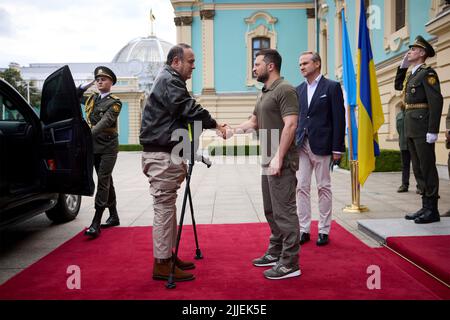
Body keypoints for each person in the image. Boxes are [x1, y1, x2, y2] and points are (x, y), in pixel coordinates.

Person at [140, 43, 227, 282]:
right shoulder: (170, 80)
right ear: (176, 62)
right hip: (162, 155)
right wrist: (215, 124)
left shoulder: (169, 80)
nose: (194, 66)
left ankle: (167, 255)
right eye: (190, 61)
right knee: (164, 208)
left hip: (166, 152)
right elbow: (187, 108)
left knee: (167, 207)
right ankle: (161, 263)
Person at [226, 49, 301, 280]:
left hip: (282, 161)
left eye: (257, 64)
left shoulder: (285, 90)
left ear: (270, 66)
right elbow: (254, 121)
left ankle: (290, 263)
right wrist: (232, 130)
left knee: (284, 212)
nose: (253, 68)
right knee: (271, 210)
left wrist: (279, 157)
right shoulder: (264, 93)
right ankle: (276, 251)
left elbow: (291, 125)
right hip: (267, 161)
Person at [295, 52, 345, 246]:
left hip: (323, 145)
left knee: (323, 187)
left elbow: (338, 119)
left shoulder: (331, 87)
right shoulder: (298, 89)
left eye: (305, 63)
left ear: (317, 64)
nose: (301, 67)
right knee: (301, 187)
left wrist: (337, 148)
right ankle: (304, 229)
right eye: (300, 64)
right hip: (302, 145)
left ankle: (324, 230)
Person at [394, 35, 444, 224]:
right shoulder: (412, 74)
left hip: (423, 127)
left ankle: (433, 209)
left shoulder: (427, 73)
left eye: (413, 49)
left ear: (422, 53)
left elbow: (436, 101)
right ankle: (425, 206)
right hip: (411, 127)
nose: (410, 51)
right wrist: (402, 66)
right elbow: (398, 86)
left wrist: (433, 130)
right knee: (418, 167)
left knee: (427, 167)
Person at [78, 66, 122, 238]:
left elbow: (105, 122)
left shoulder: (115, 102)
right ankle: (114, 216)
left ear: (111, 82)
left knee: (103, 180)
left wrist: (87, 136)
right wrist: (87, 85)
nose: (100, 82)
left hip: (109, 147)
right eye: (97, 79)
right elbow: (75, 94)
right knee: (107, 180)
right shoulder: (92, 98)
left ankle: (96, 221)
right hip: (95, 146)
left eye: (103, 79)